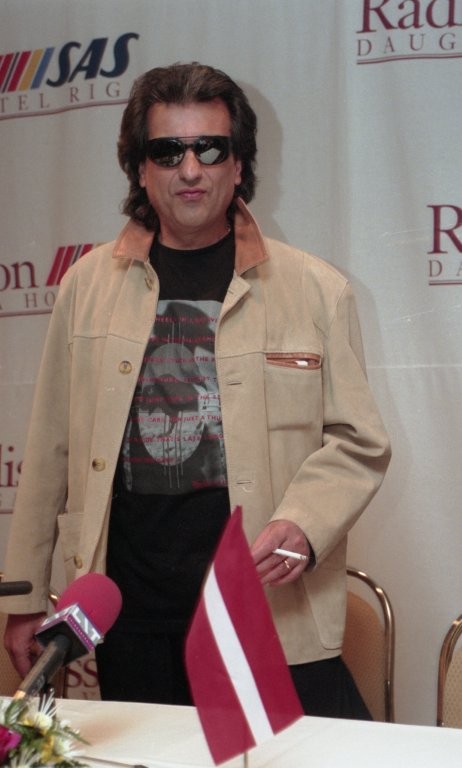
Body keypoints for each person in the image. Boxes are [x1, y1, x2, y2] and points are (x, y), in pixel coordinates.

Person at [2, 62, 391, 717]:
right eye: (168, 151)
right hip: (131, 620)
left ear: (239, 166)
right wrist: (23, 599)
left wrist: (305, 522)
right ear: (140, 168)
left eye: (210, 149)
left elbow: (360, 443)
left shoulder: (315, 290)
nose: (190, 169)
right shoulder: (85, 288)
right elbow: (48, 452)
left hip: (267, 610)